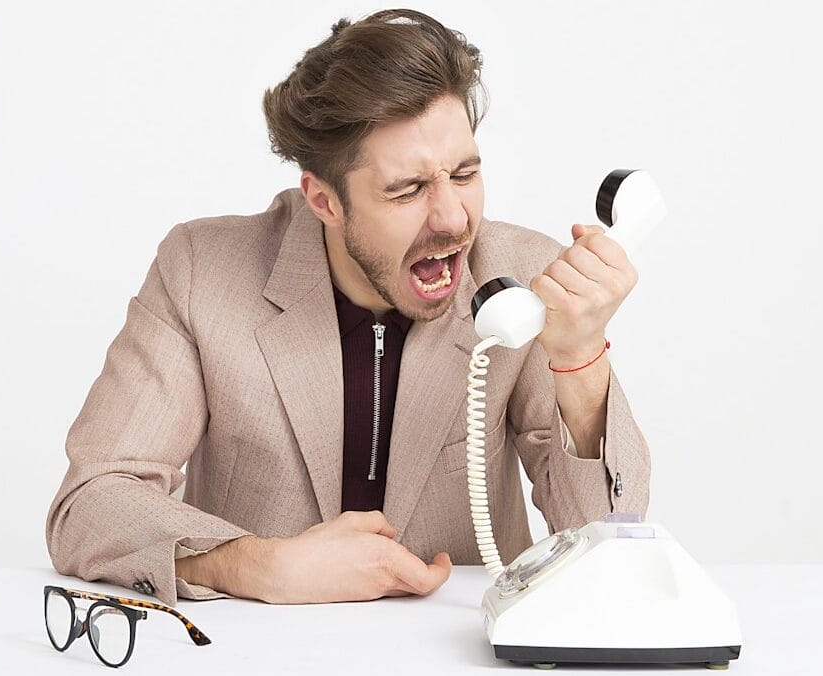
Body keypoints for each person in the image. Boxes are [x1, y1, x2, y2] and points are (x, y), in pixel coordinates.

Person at [45, 8, 650, 607]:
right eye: (407, 189)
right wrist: (258, 566)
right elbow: (91, 503)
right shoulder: (201, 269)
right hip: (254, 651)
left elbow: (610, 538)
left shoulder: (521, 276)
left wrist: (579, 359)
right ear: (325, 201)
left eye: (464, 174)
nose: (453, 218)